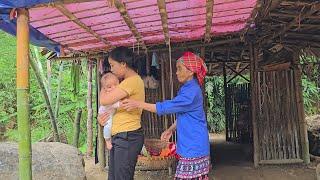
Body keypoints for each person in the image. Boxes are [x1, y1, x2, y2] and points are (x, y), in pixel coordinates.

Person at [122, 51, 211, 179]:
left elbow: (165, 107)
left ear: (191, 71)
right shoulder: (188, 88)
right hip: (191, 144)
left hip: (194, 146)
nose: (176, 72)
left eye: (179, 69)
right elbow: (184, 115)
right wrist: (171, 129)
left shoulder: (192, 91)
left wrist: (138, 104)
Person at [98, 47, 145, 180]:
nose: (111, 69)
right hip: (121, 137)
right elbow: (108, 107)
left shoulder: (132, 81)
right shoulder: (124, 83)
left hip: (128, 137)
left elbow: (104, 100)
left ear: (123, 64)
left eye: (113, 65)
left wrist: (103, 85)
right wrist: (101, 118)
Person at [98, 73, 120, 150]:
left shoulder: (118, 91)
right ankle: (107, 140)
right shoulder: (108, 94)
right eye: (109, 87)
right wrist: (120, 104)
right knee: (108, 125)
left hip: (112, 112)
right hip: (106, 113)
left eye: (116, 85)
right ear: (104, 89)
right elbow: (111, 104)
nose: (113, 88)